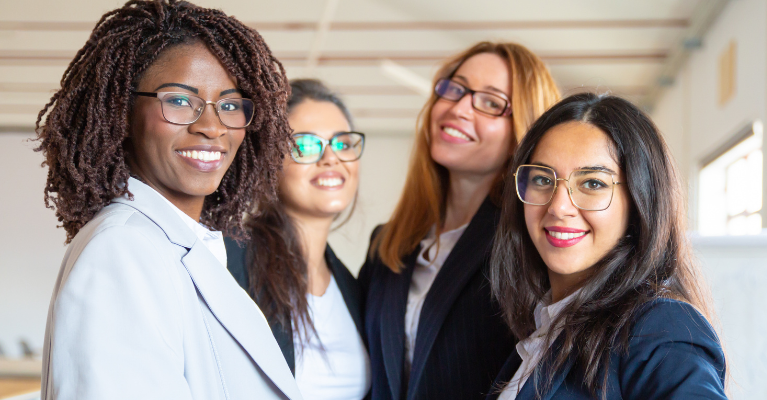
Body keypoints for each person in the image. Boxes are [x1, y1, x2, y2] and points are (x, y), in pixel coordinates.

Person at [36, 1, 301, 399]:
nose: (211, 127)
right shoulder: (122, 251)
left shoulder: (176, 244)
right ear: (120, 113)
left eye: (229, 105)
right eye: (179, 100)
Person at [486, 93, 728, 399]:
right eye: (543, 179)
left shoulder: (660, 329)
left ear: (640, 201)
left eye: (592, 183)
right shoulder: (543, 329)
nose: (559, 207)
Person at [359, 41, 561, 400]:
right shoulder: (387, 243)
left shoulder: (530, 246)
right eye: (455, 89)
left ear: (524, 133)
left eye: (491, 102)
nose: (460, 107)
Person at [225, 79, 370, 400]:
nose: (331, 158)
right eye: (305, 145)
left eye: (342, 144)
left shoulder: (356, 288)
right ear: (268, 163)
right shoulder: (229, 260)